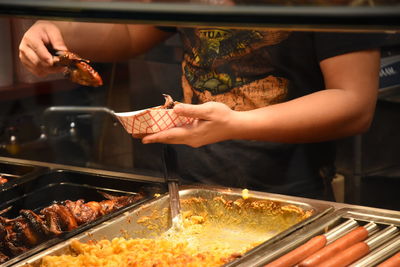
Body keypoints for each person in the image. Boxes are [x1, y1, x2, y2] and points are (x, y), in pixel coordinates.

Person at [19, 20, 389, 200]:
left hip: (289, 188)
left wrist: (235, 124)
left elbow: (353, 103)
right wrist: (56, 35)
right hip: (185, 184)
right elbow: (132, 33)